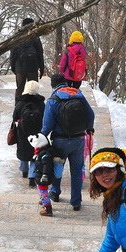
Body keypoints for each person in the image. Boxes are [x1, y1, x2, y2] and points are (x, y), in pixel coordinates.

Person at [41, 73, 95, 211]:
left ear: (53, 85)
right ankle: (76, 201)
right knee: (77, 170)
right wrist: (89, 129)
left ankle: (55, 192)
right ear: (65, 82)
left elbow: (47, 125)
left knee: (57, 167)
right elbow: (91, 114)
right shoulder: (78, 94)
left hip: (60, 140)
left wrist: (41, 138)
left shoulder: (53, 99)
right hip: (79, 139)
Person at [13, 80, 45, 185]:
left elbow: (14, 117)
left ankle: (24, 170)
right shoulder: (40, 103)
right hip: (37, 132)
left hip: (23, 133)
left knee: (23, 150)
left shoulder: (20, 102)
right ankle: (32, 176)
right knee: (35, 153)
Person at [9, 17, 45, 100]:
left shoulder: (16, 37)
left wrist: (14, 68)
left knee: (20, 89)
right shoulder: (35, 37)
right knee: (33, 88)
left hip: (20, 67)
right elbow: (40, 53)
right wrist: (41, 67)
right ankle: (34, 108)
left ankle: (18, 107)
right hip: (32, 67)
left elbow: (13, 54)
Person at [28, 133, 58, 216]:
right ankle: (43, 199)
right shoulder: (41, 152)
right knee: (41, 190)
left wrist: (45, 175)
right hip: (40, 176)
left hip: (43, 177)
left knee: (43, 191)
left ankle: (48, 208)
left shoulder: (44, 155)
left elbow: (46, 166)